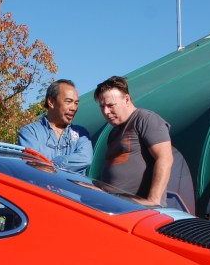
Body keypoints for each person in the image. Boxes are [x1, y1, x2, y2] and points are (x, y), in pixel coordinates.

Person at [94, 75, 174, 206]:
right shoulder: (113, 132)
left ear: (126, 99)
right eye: (102, 106)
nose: (106, 111)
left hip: (140, 211)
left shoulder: (145, 119)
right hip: (114, 206)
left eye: (110, 105)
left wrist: (153, 200)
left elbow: (165, 158)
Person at [17, 79, 92, 174]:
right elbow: (34, 165)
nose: (73, 108)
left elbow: (85, 159)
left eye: (76, 103)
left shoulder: (81, 134)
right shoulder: (30, 132)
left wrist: (54, 164)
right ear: (51, 102)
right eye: (68, 102)